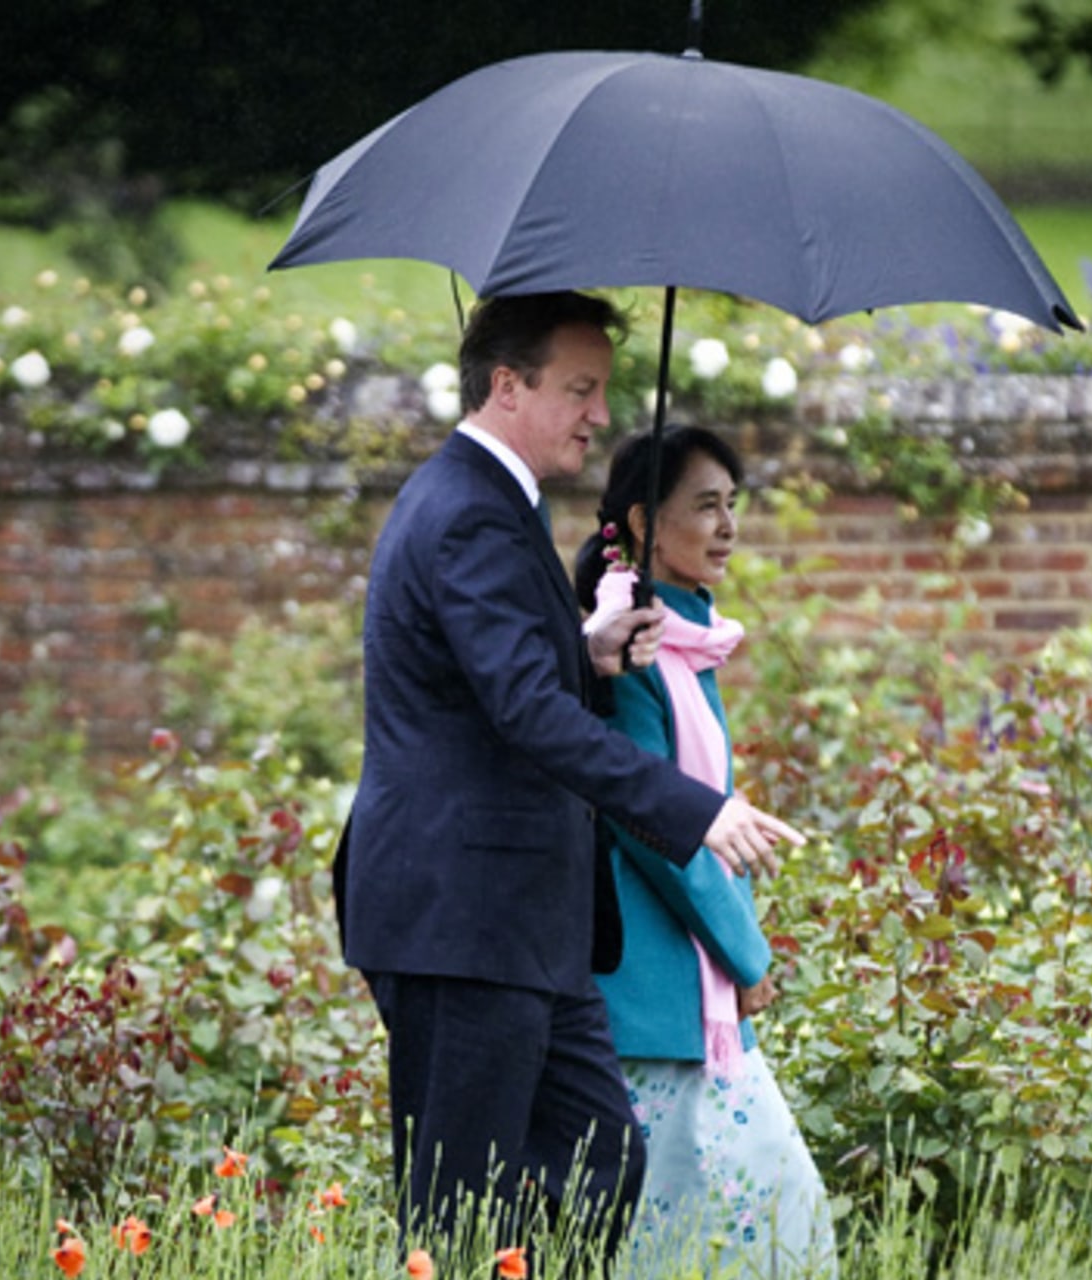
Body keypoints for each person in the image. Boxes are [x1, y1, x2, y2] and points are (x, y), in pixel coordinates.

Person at [332, 292, 805, 1270]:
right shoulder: (467, 510)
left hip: (527, 926)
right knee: (458, 1214)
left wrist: (583, 649)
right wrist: (697, 807)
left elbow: (501, 675)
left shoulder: (499, 504)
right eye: (579, 389)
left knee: (602, 1158)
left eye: (604, 390)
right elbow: (526, 715)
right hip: (463, 918)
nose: (599, 414)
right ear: (508, 385)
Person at [575, 426, 838, 1278]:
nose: (728, 527)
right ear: (647, 522)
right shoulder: (636, 647)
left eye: (734, 506)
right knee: (738, 1221)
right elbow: (660, 830)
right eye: (707, 507)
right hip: (656, 991)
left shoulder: (683, 641)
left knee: (714, 1229)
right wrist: (746, 953)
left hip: (688, 996)